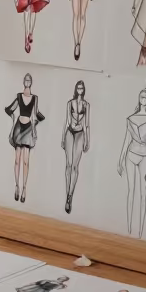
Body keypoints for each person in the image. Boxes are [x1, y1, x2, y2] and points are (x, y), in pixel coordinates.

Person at [118, 88, 146, 237]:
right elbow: (126, 140)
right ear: (139, 99)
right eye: (142, 97)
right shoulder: (131, 119)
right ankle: (128, 229)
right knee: (131, 192)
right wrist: (120, 159)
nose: (144, 100)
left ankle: (140, 232)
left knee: (143, 194)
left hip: (145, 156)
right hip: (131, 155)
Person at [5, 73, 44, 203]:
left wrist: (35, 126)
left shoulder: (35, 98)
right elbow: (10, 109)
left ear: (31, 82)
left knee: (26, 161)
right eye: (26, 79)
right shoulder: (19, 96)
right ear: (23, 81)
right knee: (17, 160)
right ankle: (16, 186)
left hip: (28, 129)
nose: (27, 81)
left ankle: (24, 188)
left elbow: (36, 113)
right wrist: (13, 118)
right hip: (18, 128)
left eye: (29, 80)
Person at [61, 80, 90, 214]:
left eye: (81, 88)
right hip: (69, 132)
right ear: (75, 89)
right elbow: (66, 121)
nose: (80, 90)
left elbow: (87, 124)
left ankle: (70, 195)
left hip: (80, 134)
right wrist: (62, 137)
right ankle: (67, 194)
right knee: (68, 164)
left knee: (75, 166)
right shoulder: (69, 103)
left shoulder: (86, 105)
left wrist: (87, 140)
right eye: (78, 88)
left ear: (83, 90)